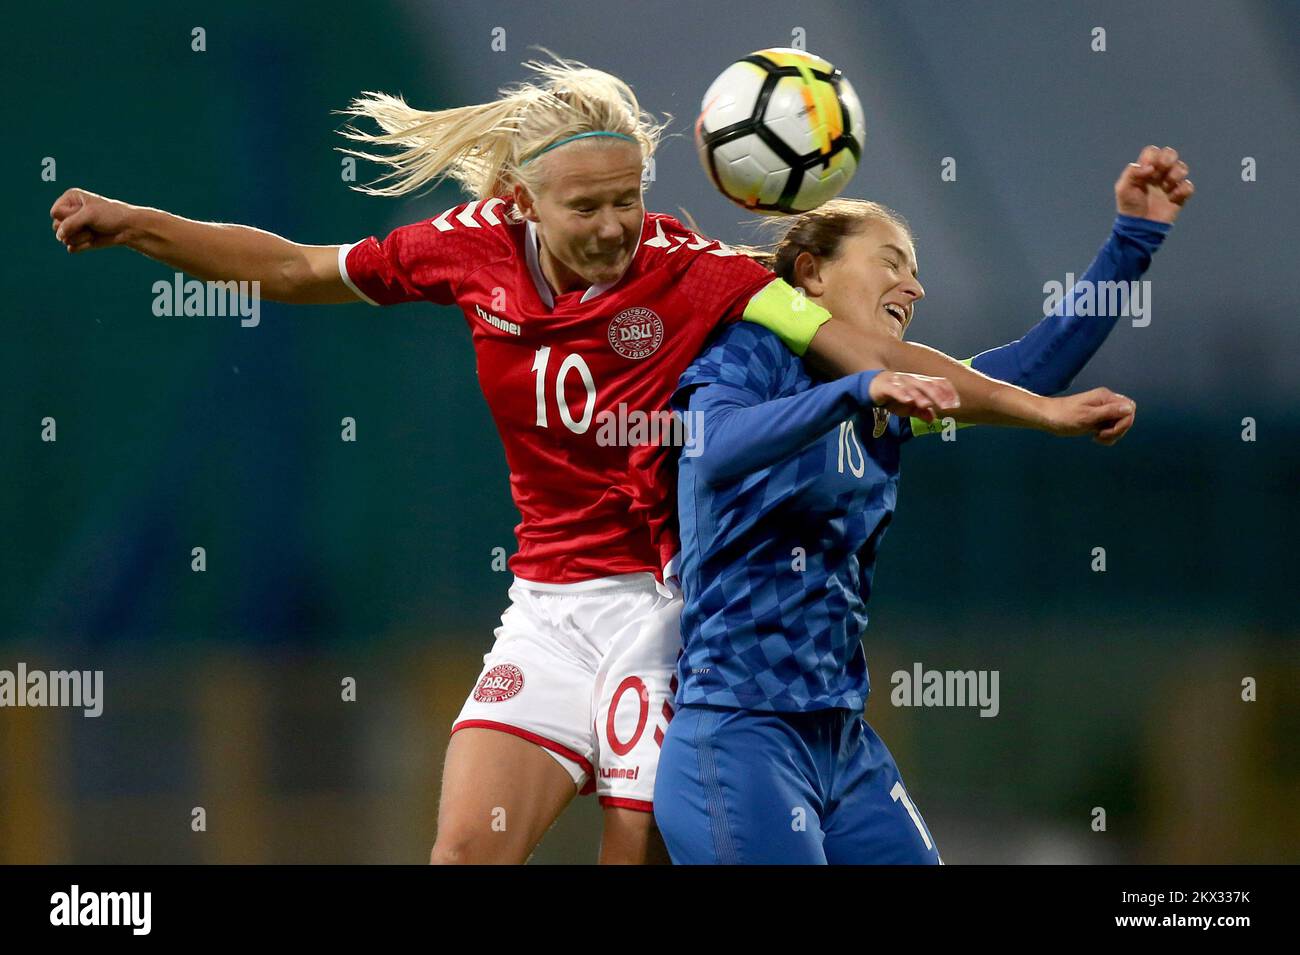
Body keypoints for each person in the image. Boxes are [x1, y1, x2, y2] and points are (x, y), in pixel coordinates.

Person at [48, 52, 1155, 864]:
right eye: (590, 207)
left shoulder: (695, 269)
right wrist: (133, 222)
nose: (620, 223)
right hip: (547, 604)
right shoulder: (463, 251)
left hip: (667, 614)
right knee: (463, 852)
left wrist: (1034, 412)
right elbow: (292, 267)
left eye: (629, 197)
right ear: (519, 201)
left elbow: (872, 354)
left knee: (634, 856)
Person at [652, 147, 1193, 864]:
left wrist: (1133, 240)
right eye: (893, 261)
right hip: (739, 732)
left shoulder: (895, 395)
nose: (916, 286)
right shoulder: (751, 353)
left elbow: (1032, 372)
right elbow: (714, 447)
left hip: (842, 742)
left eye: (915, 269)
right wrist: (857, 390)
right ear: (811, 272)